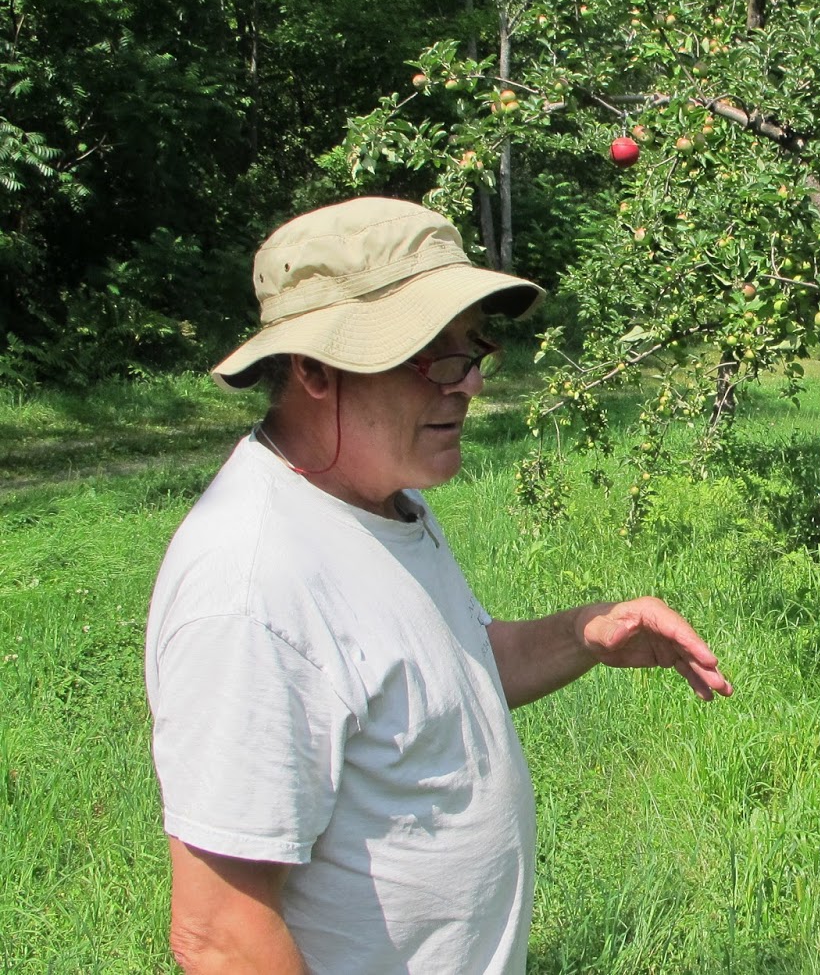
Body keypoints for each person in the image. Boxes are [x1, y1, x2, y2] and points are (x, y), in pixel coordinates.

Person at [144, 196, 733, 973]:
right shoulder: (254, 586)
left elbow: (443, 676)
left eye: (471, 350)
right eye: (433, 354)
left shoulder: (376, 500)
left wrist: (586, 633)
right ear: (315, 368)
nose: (469, 386)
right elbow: (219, 931)